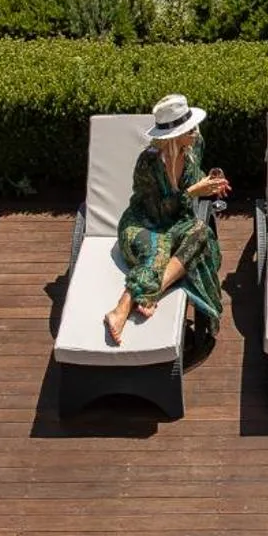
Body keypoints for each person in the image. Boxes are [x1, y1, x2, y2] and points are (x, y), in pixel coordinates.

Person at [104, 95, 230, 347]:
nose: (196, 132)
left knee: (201, 233)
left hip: (175, 221)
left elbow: (193, 177)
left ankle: (150, 293)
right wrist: (192, 192)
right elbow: (156, 212)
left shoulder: (194, 145)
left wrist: (210, 181)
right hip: (143, 224)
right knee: (159, 250)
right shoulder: (149, 163)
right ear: (174, 135)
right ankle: (120, 309)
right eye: (189, 129)